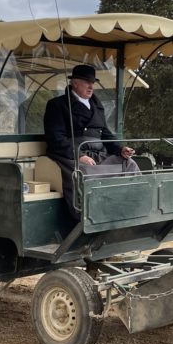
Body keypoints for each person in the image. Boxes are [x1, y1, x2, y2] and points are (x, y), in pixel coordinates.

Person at [44, 64, 139, 225]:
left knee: (129, 164)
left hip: (98, 153)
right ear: (74, 83)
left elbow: (106, 133)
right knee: (86, 171)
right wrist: (79, 155)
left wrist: (120, 148)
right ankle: (89, 216)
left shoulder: (97, 106)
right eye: (87, 82)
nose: (91, 86)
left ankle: (132, 205)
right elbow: (56, 138)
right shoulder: (58, 105)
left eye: (93, 82)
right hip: (68, 154)